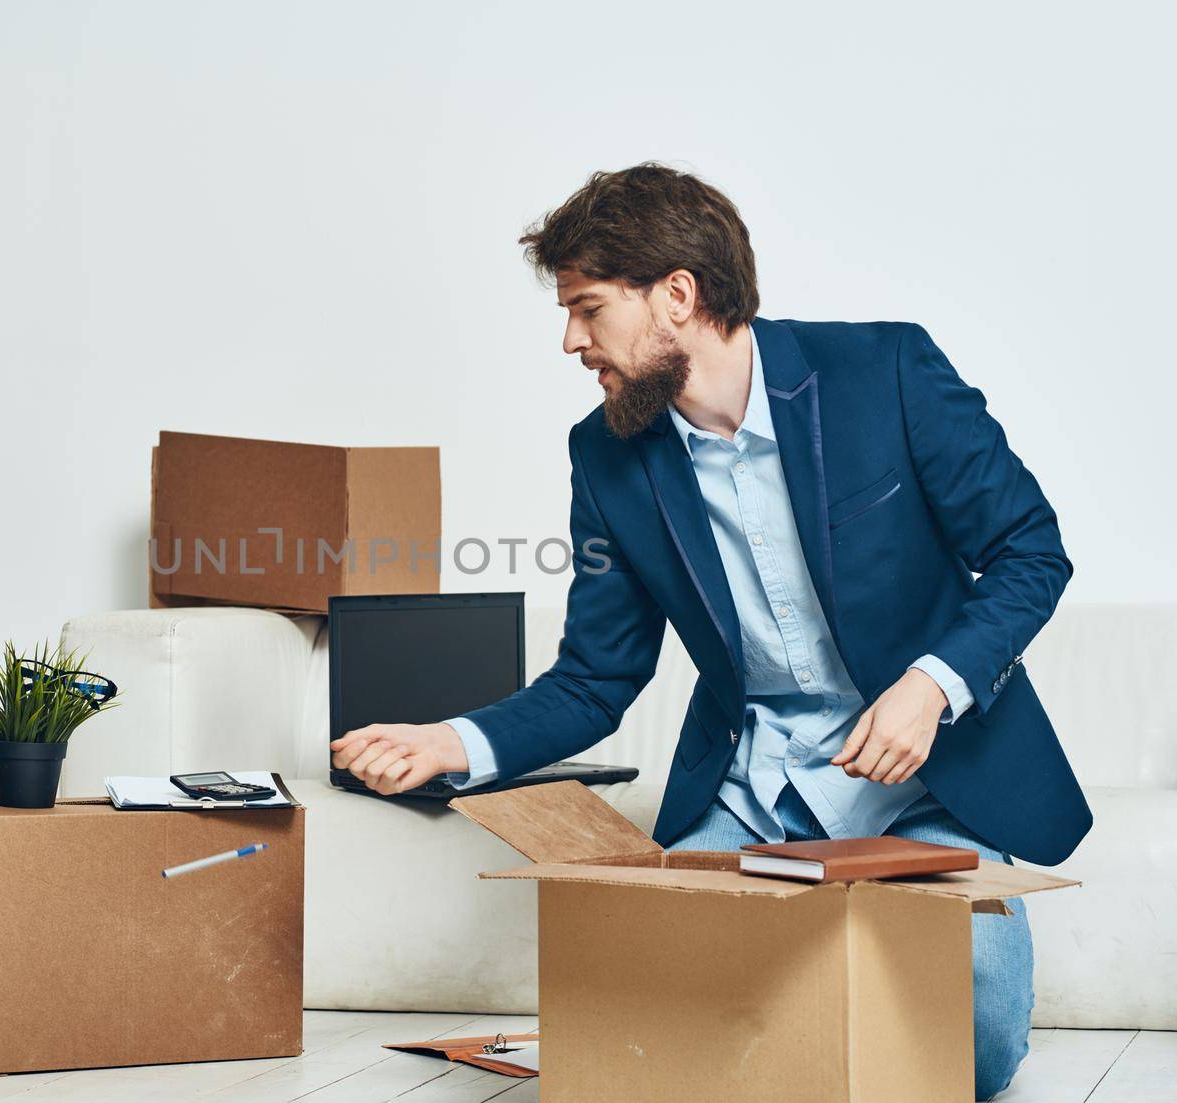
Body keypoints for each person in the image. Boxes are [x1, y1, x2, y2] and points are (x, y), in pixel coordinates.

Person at [330, 162, 1091, 1101]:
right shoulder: (605, 459)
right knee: (652, 1037)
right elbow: (595, 678)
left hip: (927, 793)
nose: (571, 341)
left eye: (589, 308)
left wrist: (931, 683)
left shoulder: (887, 372)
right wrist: (449, 740)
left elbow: (1030, 551)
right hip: (747, 798)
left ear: (677, 297)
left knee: (963, 1052)